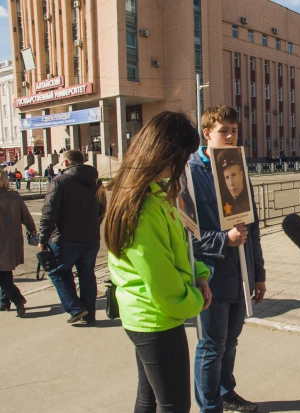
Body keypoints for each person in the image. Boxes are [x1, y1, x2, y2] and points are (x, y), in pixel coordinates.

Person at [105, 111, 212, 413]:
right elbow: (162, 281)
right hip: (157, 318)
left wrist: (200, 275)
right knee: (174, 404)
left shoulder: (147, 195)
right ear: (165, 154)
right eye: (181, 158)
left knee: (150, 398)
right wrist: (194, 300)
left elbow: (178, 248)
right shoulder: (144, 207)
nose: (180, 168)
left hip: (148, 314)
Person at [189, 105, 266, 413]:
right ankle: (210, 406)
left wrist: (258, 273)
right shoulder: (191, 172)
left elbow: (254, 228)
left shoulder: (237, 167)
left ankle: (225, 392)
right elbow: (187, 235)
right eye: (224, 130)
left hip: (241, 272)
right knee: (211, 346)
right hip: (210, 274)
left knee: (230, 341)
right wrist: (224, 239)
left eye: (234, 130)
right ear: (207, 133)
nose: (231, 135)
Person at [38, 150, 105, 325]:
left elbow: (49, 213)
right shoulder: (96, 182)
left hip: (65, 238)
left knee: (57, 272)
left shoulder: (59, 182)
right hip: (91, 238)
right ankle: (89, 315)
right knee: (87, 275)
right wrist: (93, 227)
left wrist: (42, 239)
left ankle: (76, 308)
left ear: (66, 163)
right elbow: (102, 210)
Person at [0, 171, 36, 316]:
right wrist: (32, 230)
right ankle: (4, 301)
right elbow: (26, 217)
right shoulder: (15, 196)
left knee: (3, 273)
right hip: (12, 239)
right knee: (5, 271)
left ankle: (17, 299)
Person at [215, 148, 250, 217]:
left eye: (233, 175)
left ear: (241, 175)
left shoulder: (247, 198)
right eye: (227, 177)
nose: (231, 183)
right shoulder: (228, 203)